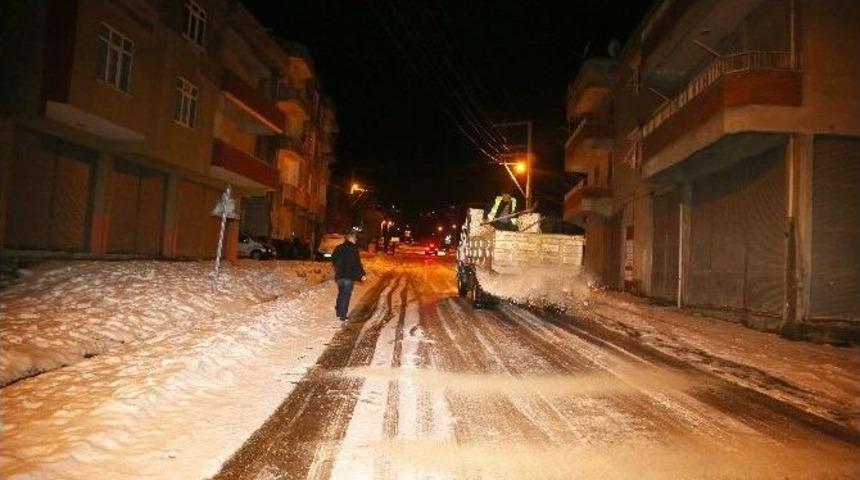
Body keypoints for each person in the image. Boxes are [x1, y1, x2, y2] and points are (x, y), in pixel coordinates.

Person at [331, 229, 366, 321]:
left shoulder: (339, 247)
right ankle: (343, 315)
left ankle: (338, 310)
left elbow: (333, 259)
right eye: (355, 238)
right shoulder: (353, 249)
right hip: (348, 276)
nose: (356, 239)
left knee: (341, 293)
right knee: (346, 295)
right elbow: (356, 263)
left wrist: (338, 267)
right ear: (350, 238)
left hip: (339, 276)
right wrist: (361, 274)